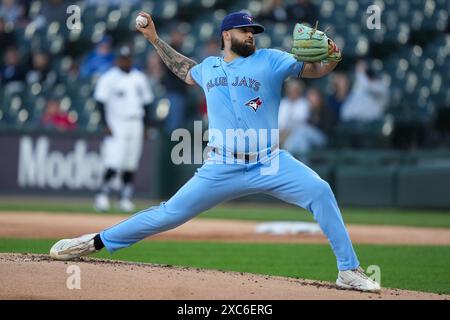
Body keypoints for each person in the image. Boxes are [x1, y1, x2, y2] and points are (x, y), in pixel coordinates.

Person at [49, 11, 380, 293]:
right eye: (244, 30)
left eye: (253, 31)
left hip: (270, 161)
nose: (251, 35)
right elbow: (183, 69)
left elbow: (315, 70)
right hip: (222, 164)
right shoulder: (209, 67)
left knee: (319, 190)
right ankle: (95, 242)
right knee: (168, 214)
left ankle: (348, 270)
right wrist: (154, 39)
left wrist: (332, 58)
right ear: (226, 35)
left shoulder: (272, 60)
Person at [93, 45, 154, 212]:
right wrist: (105, 124)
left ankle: (125, 197)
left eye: (128, 59)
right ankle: (102, 195)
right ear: (117, 60)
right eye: (122, 58)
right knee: (114, 160)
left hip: (136, 121)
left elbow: (148, 103)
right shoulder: (109, 78)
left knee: (130, 162)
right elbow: (99, 102)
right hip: (116, 122)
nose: (125, 61)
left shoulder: (139, 77)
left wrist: (147, 126)